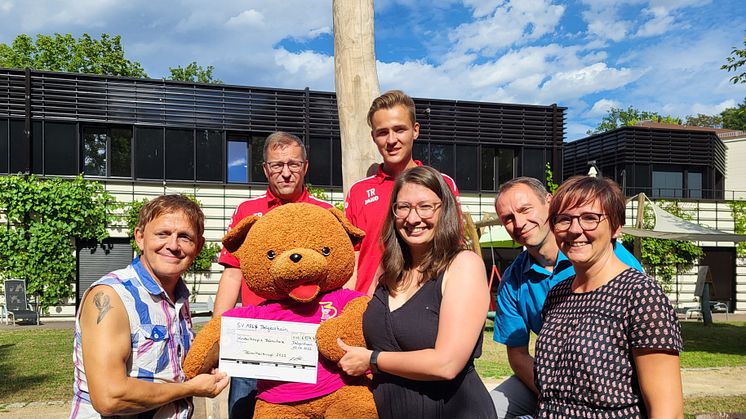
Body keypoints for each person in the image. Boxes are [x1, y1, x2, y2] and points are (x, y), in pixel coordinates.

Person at [337, 166, 497, 419]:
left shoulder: (463, 265)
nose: (413, 218)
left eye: (425, 206)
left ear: (444, 210)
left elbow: (446, 364)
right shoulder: (388, 270)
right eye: (403, 207)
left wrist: (373, 360)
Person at [490, 177, 643, 418]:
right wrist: (553, 395)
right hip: (544, 379)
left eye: (524, 209)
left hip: (608, 382)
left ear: (549, 202)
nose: (518, 223)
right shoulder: (513, 279)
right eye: (508, 218)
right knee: (484, 410)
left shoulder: (611, 261)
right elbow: (518, 355)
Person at [535, 175, 683, 417]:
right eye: (564, 219)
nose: (575, 229)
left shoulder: (641, 296)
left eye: (590, 218)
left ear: (615, 226)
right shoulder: (558, 294)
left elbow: (668, 411)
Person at [70, 195, 229, 418]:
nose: (173, 245)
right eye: (162, 234)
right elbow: (110, 397)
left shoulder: (178, 298)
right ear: (140, 237)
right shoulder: (112, 296)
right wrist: (191, 388)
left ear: (198, 246)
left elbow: (166, 372)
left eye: (184, 237)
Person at [212, 131, 332, 419]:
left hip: (307, 338)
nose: (286, 173)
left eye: (293, 164)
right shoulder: (248, 212)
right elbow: (233, 274)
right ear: (266, 169)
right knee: (245, 412)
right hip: (255, 339)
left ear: (305, 167)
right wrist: (218, 335)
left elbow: (338, 276)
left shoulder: (324, 213)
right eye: (277, 165)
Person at [344, 90, 459, 296]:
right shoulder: (358, 192)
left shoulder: (442, 184)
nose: (391, 140)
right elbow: (351, 261)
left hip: (423, 303)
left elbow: (453, 250)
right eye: (382, 132)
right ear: (373, 137)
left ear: (415, 130)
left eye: (399, 130)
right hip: (367, 305)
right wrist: (348, 304)